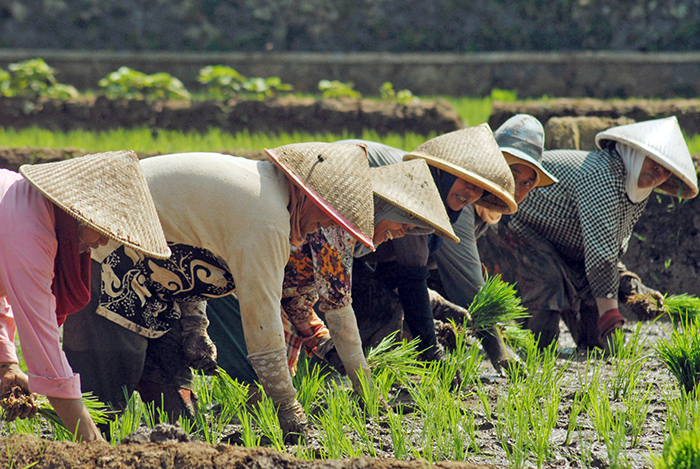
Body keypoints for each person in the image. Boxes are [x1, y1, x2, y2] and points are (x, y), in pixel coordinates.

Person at [62, 143, 375, 437]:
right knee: (102, 402)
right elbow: (262, 322)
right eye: (327, 217)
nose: (323, 227)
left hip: (154, 281)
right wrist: (288, 408)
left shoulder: (262, 191)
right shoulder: (268, 218)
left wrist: (194, 324)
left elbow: (188, 252)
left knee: (178, 415)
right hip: (108, 256)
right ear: (310, 196)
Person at [206, 158, 460, 393]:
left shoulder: (344, 239)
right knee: (261, 379)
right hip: (224, 284)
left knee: (271, 384)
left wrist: (327, 346)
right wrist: (365, 386)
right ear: (383, 209)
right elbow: (340, 313)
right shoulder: (335, 229)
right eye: (403, 223)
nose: (404, 233)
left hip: (246, 290)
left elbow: (297, 301)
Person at [476, 116, 698, 351]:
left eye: (664, 171)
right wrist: (611, 316)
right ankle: (529, 353)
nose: (657, 173)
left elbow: (605, 250)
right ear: (637, 154)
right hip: (513, 222)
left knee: (597, 341)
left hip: (562, 242)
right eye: (653, 163)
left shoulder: (635, 190)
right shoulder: (603, 175)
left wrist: (633, 289)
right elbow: (600, 258)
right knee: (546, 302)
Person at [0, 150, 170, 441]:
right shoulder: (29, 234)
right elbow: (44, 349)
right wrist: (92, 443)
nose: (102, 241)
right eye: (101, 229)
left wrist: (6, 363)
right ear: (76, 212)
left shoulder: (25, 204)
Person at [348, 124, 518, 363]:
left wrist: (436, 307)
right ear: (445, 172)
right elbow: (412, 279)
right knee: (383, 311)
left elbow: (396, 273)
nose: (471, 192)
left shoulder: (441, 202)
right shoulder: (418, 188)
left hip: (354, 247)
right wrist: (433, 353)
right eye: (466, 180)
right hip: (328, 223)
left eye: (479, 188)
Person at [431, 114, 557, 371]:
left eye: (527, 183)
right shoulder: (461, 200)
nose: (516, 189)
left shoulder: (484, 212)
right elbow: (469, 286)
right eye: (511, 173)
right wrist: (500, 353)